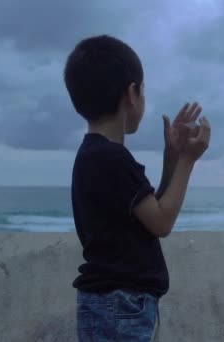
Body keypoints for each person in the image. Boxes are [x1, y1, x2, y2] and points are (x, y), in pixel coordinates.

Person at [64, 35, 211, 341]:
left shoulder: (93, 155)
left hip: (109, 303)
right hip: (122, 305)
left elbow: (148, 214)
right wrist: (188, 160)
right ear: (132, 93)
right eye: (143, 90)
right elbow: (161, 222)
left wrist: (170, 158)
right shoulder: (112, 158)